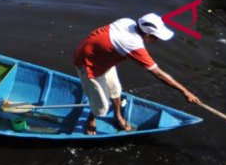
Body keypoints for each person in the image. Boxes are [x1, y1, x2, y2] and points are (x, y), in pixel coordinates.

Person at [73, 13, 201, 135]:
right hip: (87, 64)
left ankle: (118, 116)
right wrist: (184, 91)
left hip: (103, 59)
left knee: (116, 90)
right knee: (102, 107)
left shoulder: (128, 22)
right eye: (155, 37)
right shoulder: (133, 44)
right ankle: (91, 119)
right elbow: (159, 74)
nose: (157, 40)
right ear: (147, 36)